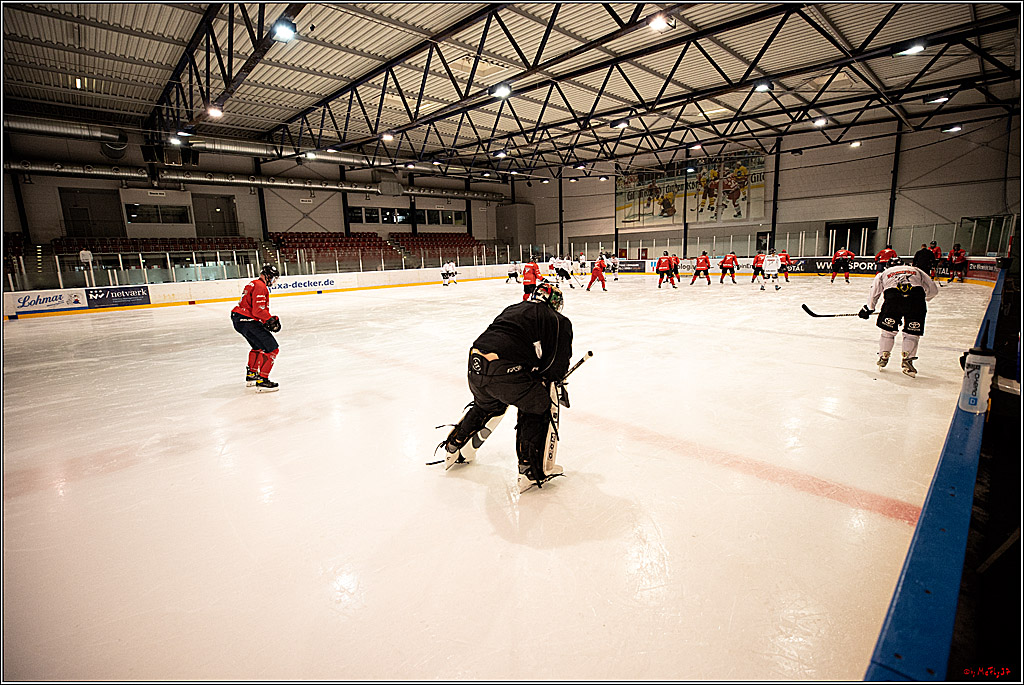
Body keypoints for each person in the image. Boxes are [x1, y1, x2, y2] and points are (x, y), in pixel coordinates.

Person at [437, 280, 573, 492]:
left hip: (476, 366)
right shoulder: (558, 321)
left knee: (487, 406)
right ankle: (529, 469)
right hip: (505, 373)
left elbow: (505, 340)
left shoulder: (513, 308)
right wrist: (546, 378)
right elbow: (556, 365)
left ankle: (454, 445)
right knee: (537, 405)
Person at [859, 256, 938, 377]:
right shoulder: (916, 270)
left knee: (888, 331)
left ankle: (883, 356)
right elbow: (933, 289)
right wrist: (922, 300)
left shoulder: (884, 273)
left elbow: (874, 292)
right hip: (916, 299)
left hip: (893, 299)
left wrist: (869, 308)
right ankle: (908, 361)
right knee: (912, 332)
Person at [231, 264, 282, 392]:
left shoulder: (253, 283)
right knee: (272, 348)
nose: (273, 281)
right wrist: (269, 319)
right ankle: (262, 380)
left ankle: (252, 375)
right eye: (273, 278)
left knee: (257, 347)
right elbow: (258, 310)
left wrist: (266, 319)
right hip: (247, 320)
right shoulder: (261, 286)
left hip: (239, 319)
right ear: (268, 276)